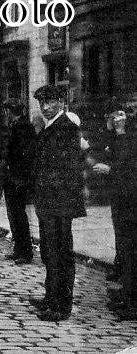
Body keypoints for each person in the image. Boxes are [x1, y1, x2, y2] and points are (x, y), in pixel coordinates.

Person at [29, 84, 86, 322]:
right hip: (49, 202)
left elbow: (68, 169)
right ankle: (51, 296)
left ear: (61, 102)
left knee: (60, 253)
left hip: (60, 202)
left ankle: (61, 305)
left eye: (50, 102)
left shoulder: (66, 128)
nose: (45, 107)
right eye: (42, 103)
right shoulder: (50, 128)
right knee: (49, 251)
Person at [89, 101, 137, 319]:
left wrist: (110, 169)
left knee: (131, 250)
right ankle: (127, 296)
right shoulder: (122, 134)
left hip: (131, 200)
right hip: (122, 199)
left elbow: (128, 165)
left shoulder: (128, 135)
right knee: (125, 250)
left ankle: (132, 303)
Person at [2, 98, 36, 265]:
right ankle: (18, 249)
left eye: (7, 110)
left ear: (10, 111)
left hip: (18, 178)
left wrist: (19, 176)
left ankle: (25, 251)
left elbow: (25, 154)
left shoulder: (22, 127)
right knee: (14, 215)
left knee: (19, 216)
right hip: (13, 177)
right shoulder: (16, 125)